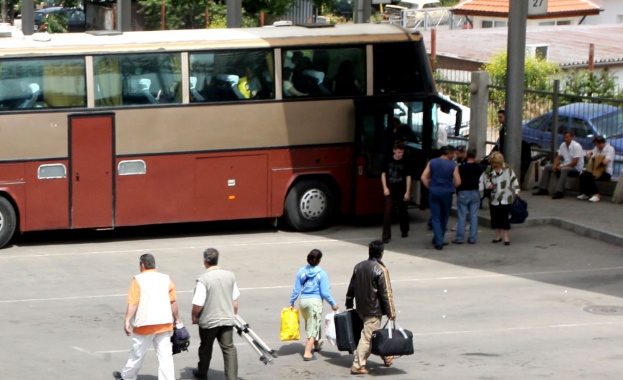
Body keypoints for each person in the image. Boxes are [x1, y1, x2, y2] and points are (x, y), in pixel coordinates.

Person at [113, 254, 180, 380]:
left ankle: (127, 377)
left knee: (137, 355)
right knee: (165, 357)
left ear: (142, 265)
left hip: (144, 325)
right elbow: (173, 302)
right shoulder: (166, 279)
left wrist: (127, 320)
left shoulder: (138, 280)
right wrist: (177, 319)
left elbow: (133, 303)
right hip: (164, 324)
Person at [345, 240, 396, 375]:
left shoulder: (359, 266)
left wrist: (349, 302)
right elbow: (386, 293)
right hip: (373, 310)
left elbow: (352, 287)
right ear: (381, 254)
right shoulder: (380, 269)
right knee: (368, 337)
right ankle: (357, 365)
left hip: (361, 308)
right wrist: (391, 311)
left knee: (372, 334)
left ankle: (386, 356)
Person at [191, 248, 239, 380]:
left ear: (204, 261)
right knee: (229, 349)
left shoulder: (203, 279)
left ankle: (202, 372)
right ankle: (232, 377)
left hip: (209, 321)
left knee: (206, 348)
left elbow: (198, 304)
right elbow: (235, 301)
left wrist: (194, 317)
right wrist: (232, 314)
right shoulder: (230, 275)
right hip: (227, 319)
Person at [288, 249, 339, 361]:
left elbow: (296, 289)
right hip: (314, 303)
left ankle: (316, 345)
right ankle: (307, 353)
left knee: (311, 323)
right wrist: (333, 303)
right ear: (319, 260)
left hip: (303, 302)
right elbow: (325, 292)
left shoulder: (301, 271)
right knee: (313, 327)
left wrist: (291, 302)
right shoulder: (322, 273)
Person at [421, 145, 461, 250]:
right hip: (447, 193)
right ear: (449, 154)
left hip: (434, 191)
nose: (453, 156)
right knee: (444, 216)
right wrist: (452, 187)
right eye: (453, 154)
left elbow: (423, 177)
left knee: (435, 217)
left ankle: (437, 239)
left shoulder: (432, 162)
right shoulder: (453, 165)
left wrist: (429, 186)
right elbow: (458, 181)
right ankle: (439, 240)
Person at [480, 152, 520, 245]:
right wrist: (489, 185)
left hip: (506, 197)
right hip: (494, 198)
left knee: (505, 217)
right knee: (495, 217)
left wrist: (517, 191)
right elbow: (485, 180)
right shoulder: (489, 170)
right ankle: (498, 236)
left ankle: (506, 237)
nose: (494, 164)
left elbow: (514, 180)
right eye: (493, 163)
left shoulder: (508, 169)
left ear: (500, 162)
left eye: (496, 163)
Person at [533, 130, 584, 199]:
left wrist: (562, 166)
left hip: (576, 167)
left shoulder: (576, 146)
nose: (566, 139)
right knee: (548, 167)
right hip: (565, 164)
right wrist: (555, 165)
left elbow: (575, 162)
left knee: (564, 170)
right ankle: (543, 189)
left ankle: (559, 192)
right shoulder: (563, 145)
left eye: (567, 137)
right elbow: (558, 157)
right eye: (564, 137)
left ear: (572, 137)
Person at [381, 140, 412, 243]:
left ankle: (404, 230)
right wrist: (385, 188)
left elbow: (408, 177)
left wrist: (407, 192)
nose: (400, 155)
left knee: (403, 210)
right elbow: (383, 174)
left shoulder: (406, 160)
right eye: (398, 152)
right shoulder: (388, 159)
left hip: (401, 189)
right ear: (394, 151)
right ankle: (386, 236)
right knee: (387, 212)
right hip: (390, 189)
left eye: (402, 152)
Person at [453, 148, 483, 245]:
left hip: (463, 192)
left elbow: (457, 181)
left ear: (466, 155)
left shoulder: (461, 168)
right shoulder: (479, 167)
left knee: (462, 216)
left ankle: (459, 238)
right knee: (474, 216)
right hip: (474, 191)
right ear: (475, 155)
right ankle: (472, 238)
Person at [577, 135, 615, 203]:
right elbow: (592, 156)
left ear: (601, 143)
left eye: (597, 144)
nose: (596, 146)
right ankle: (585, 193)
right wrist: (590, 155)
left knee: (590, 176)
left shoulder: (610, 149)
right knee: (583, 175)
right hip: (595, 169)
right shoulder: (596, 148)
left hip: (606, 172)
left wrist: (597, 158)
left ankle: (596, 194)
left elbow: (605, 161)